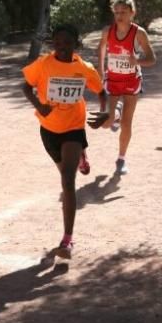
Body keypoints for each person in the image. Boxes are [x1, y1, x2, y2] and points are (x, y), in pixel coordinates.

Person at [22, 23, 108, 260]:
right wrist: (40, 106)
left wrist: (104, 112)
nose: (61, 48)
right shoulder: (43, 64)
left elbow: (102, 93)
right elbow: (26, 86)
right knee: (65, 174)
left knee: (67, 181)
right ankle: (81, 156)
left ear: (76, 44)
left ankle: (67, 239)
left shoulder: (84, 68)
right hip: (48, 130)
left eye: (67, 43)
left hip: (73, 128)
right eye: (57, 43)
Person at [97, 0, 157, 174]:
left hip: (131, 80)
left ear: (133, 13)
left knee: (126, 124)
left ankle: (121, 159)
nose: (119, 16)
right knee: (106, 122)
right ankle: (115, 113)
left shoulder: (139, 33)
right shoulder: (108, 31)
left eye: (123, 12)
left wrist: (136, 61)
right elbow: (101, 50)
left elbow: (152, 59)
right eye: (116, 13)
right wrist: (100, 70)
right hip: (113, 79)